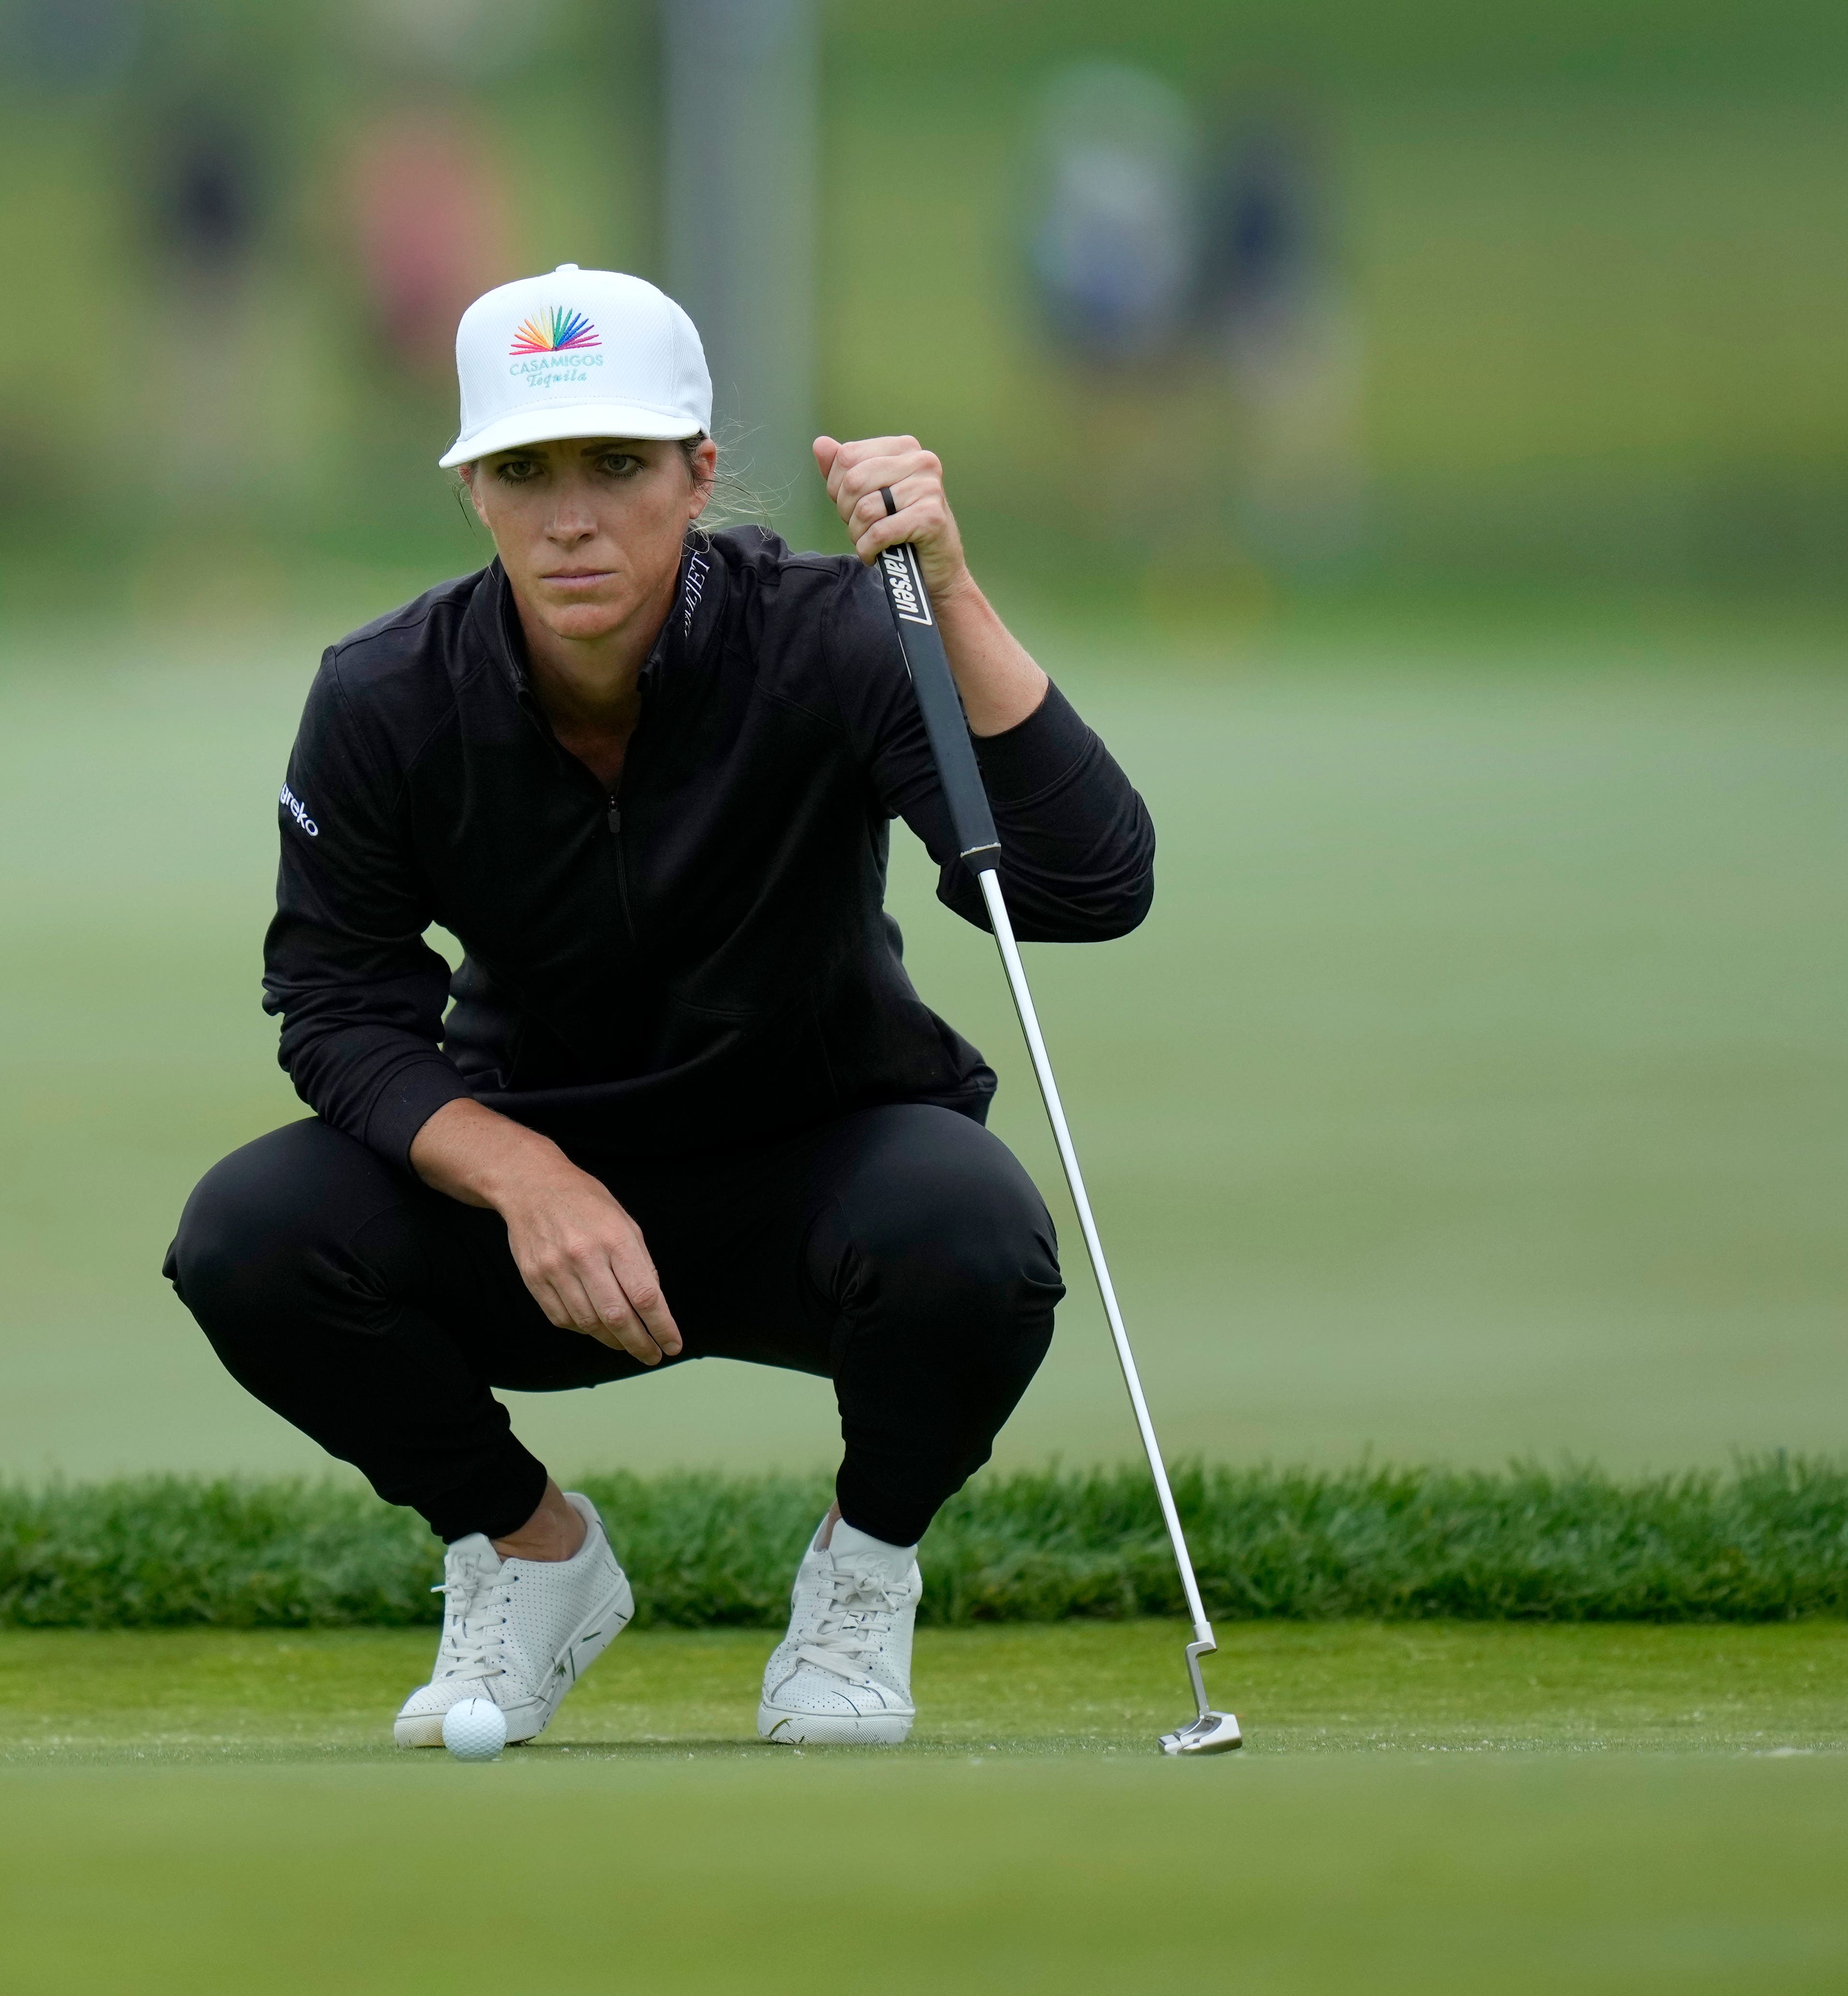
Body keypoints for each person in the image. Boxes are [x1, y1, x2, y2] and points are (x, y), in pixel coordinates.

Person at [162, 265, 1155, 1747]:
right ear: (472, 493)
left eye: (616, 467)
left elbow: (1086, 886)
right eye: (524, 472)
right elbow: (333, 1002)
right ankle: (527, 1551)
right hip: (536, 1207)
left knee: (974, 1228)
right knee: (247, 1236)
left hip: (822, 1176)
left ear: (697, 474)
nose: (570, 517)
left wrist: (944, 592)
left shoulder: (834, 634)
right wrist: (520, 1174)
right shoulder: (384, 696)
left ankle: (863, 1579)